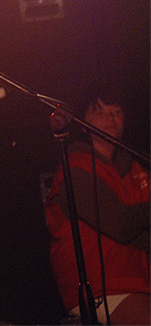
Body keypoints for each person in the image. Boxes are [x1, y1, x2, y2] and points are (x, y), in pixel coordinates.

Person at [45, 83, 149, 325]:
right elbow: (120, 224)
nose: (110, 119)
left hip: (137, 279)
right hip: (99, 287)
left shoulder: (135, 166)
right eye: (99, 112)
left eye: (116, 112)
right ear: (82, 123)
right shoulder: (77, 166)